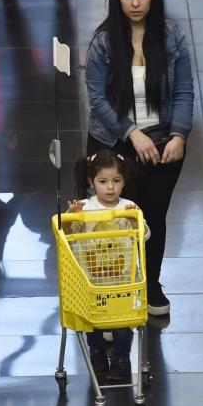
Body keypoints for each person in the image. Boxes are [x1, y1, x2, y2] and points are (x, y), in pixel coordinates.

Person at [85, 0, 194, 316]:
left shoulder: (171, 36)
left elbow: (183, 90)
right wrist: (132, 133)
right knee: (116, 217)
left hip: (164, 144)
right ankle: (115, 283)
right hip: (113, 144)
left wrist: (179, 135)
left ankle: (151, 283)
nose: (135, 3)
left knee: (154, 217)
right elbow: (98, 98)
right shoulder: (103, 42)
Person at [63, 149, 148, 385]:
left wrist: (134, 221)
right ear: (92, 182)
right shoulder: (84, 208)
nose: (110, 187)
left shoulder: (129, 207)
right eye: (103, 181)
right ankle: (97, 354)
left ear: (124, 181)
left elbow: (144, 235)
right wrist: (71, 217)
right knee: (92, 321)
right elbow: (66, 236)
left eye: (116, 181)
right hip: (92, 279)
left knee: (122, 322)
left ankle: (121, 359)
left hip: (123, 278)